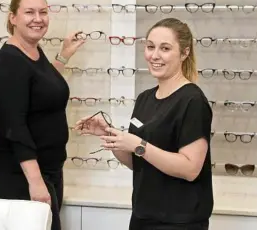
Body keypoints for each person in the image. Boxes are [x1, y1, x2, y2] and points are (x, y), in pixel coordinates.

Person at [75, 18, 213, 230]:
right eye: (150, 47)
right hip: (143, 216)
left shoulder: (192, 101)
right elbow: (136, 162)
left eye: (165, 48)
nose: (154, 55)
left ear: (184, 53)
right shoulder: (145, 99)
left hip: (179, 221)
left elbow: (190, 168)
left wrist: (139, 145)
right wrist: (110, 135)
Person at [0, 0, 85, 230]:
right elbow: (14, 127)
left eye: (43, 12)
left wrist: (63, 56)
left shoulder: (32, 51)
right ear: (13, 18)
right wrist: (35, 181)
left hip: (49, 170)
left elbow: (41, 89)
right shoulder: (8, 62)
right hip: (22, 175)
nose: (38, 19)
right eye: (29, 12)